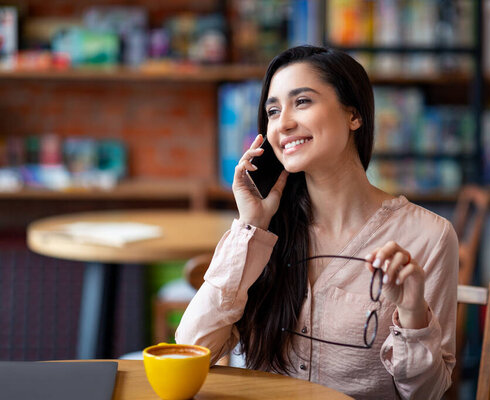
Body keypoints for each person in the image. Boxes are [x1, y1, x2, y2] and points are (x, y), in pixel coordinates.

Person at [176, 45, 458, 400]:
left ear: (353, 115)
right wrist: (250, 228)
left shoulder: (428, 236)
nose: (284, 123)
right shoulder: (264, 230)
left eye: (303, 101)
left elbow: (425, 394)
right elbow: (190, 348)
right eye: (273, 111)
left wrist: (413, 312)